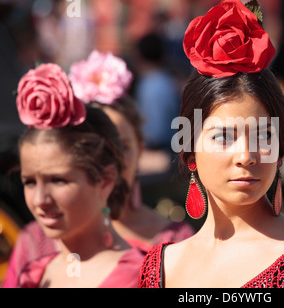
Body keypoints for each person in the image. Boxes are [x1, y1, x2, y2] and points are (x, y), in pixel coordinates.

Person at [139, 0, 284, 288]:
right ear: (191, 154)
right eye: (223, 137)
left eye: (263, 136)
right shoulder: (159, 267)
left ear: (278, 152)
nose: (246, 156)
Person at [2, 51, 194, 288]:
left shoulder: (159, 255)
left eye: (121, 146)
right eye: (30, 181)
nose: (112, 158)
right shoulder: (35, 249)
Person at [10, 63, 144, 287]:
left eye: (58, 180)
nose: (40, 200)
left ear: (105, 181)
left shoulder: (142, 277)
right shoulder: (33, 275)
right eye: (30, 182)